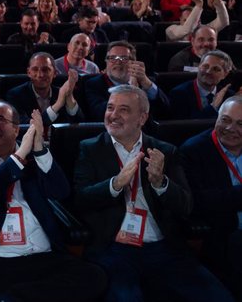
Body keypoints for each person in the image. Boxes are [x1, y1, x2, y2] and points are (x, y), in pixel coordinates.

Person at [73, 85, 235, 302]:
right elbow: (81, 199)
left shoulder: (165, 151)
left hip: (163, 247)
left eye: (123, 110)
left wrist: (161, 183)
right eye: (110, 108)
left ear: (142, 118)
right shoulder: (90, 148)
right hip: (114, 248)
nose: (113, 115)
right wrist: (116, 183)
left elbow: (186, 205)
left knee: (219, 297)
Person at [0, 103, 106, 301]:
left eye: (0, 120)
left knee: (94, 276)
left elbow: (60, 191)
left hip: (42, 255)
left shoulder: (35, 158)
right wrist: (20, 153)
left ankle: (12, 298)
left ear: (16, 129)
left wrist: (38, 149)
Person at [180, 96, 242, 299]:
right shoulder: (193, 150)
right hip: (225, 231)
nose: (231, 128)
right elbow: (197, 201)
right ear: (216, 117)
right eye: (225, 120)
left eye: (240, 123)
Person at [84, 41, 169, 121]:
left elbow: (165, 110)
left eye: (124, 58)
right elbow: (99, 114)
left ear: (133, 62)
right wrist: (131, 90)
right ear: (106, 62)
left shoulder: (145, 82)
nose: (118, 62)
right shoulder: (94, 84)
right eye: (113, 58)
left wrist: (147, 83)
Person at [5, 52, 83, 127]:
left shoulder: (62, 92)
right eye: (35, 69)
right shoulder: (15, 95)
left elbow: (79, 122)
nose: (40, 75)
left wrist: (69, 96)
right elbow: (27, 125)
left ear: (55, 73)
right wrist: (57, 105)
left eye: (45, 70)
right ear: (28, 73)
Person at [168, 50, 236, 120]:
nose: (208, 71)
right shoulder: (179, 94)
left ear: (225, 74)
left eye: (215, 69)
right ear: (199, 67)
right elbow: (184, 127)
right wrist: (212, 107)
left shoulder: (229, 97)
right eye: (205, 66)